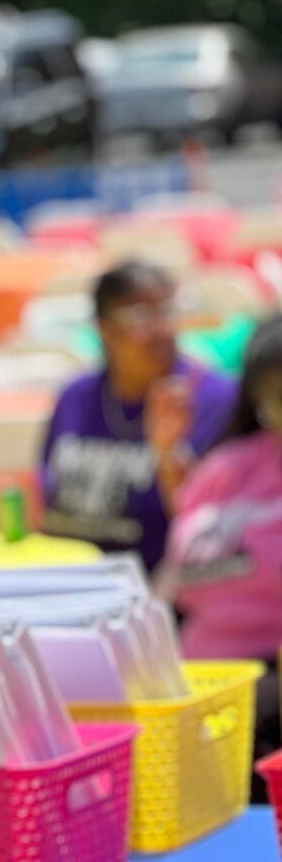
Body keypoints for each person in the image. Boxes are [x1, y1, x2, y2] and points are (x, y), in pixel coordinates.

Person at [41, 260, 237, 571]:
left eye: (168, 310)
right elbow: (45, 494)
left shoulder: (215, 398)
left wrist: (169, 452)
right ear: (104, 329)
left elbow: (212, 526)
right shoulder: (75, 398)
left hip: (163, 590)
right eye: (140, 316)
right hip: (72, 585)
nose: (161, 329)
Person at [162, 316, 282, 790]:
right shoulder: (227, 466)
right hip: (196, 671)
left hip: (265, 679)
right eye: (271, 394)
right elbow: (176, 575)